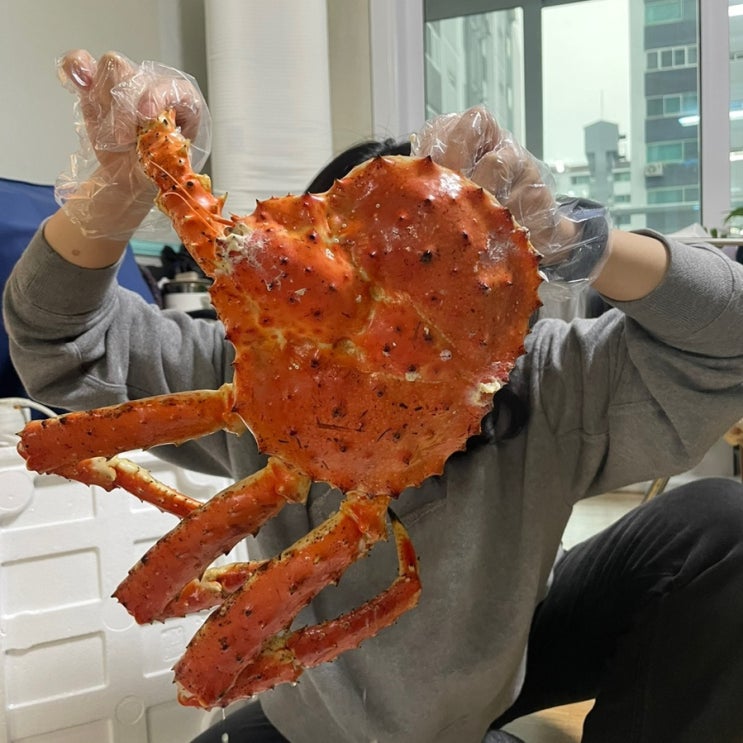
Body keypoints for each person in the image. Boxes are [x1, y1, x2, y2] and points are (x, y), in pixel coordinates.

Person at [4, 50, 743, 743]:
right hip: (317, 718)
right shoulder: (239, 363)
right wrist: (118, 187)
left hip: (501, 661)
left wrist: (585, 240)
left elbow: (730, 340)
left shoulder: (544, 377)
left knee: (720, 521)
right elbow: (58, 342)